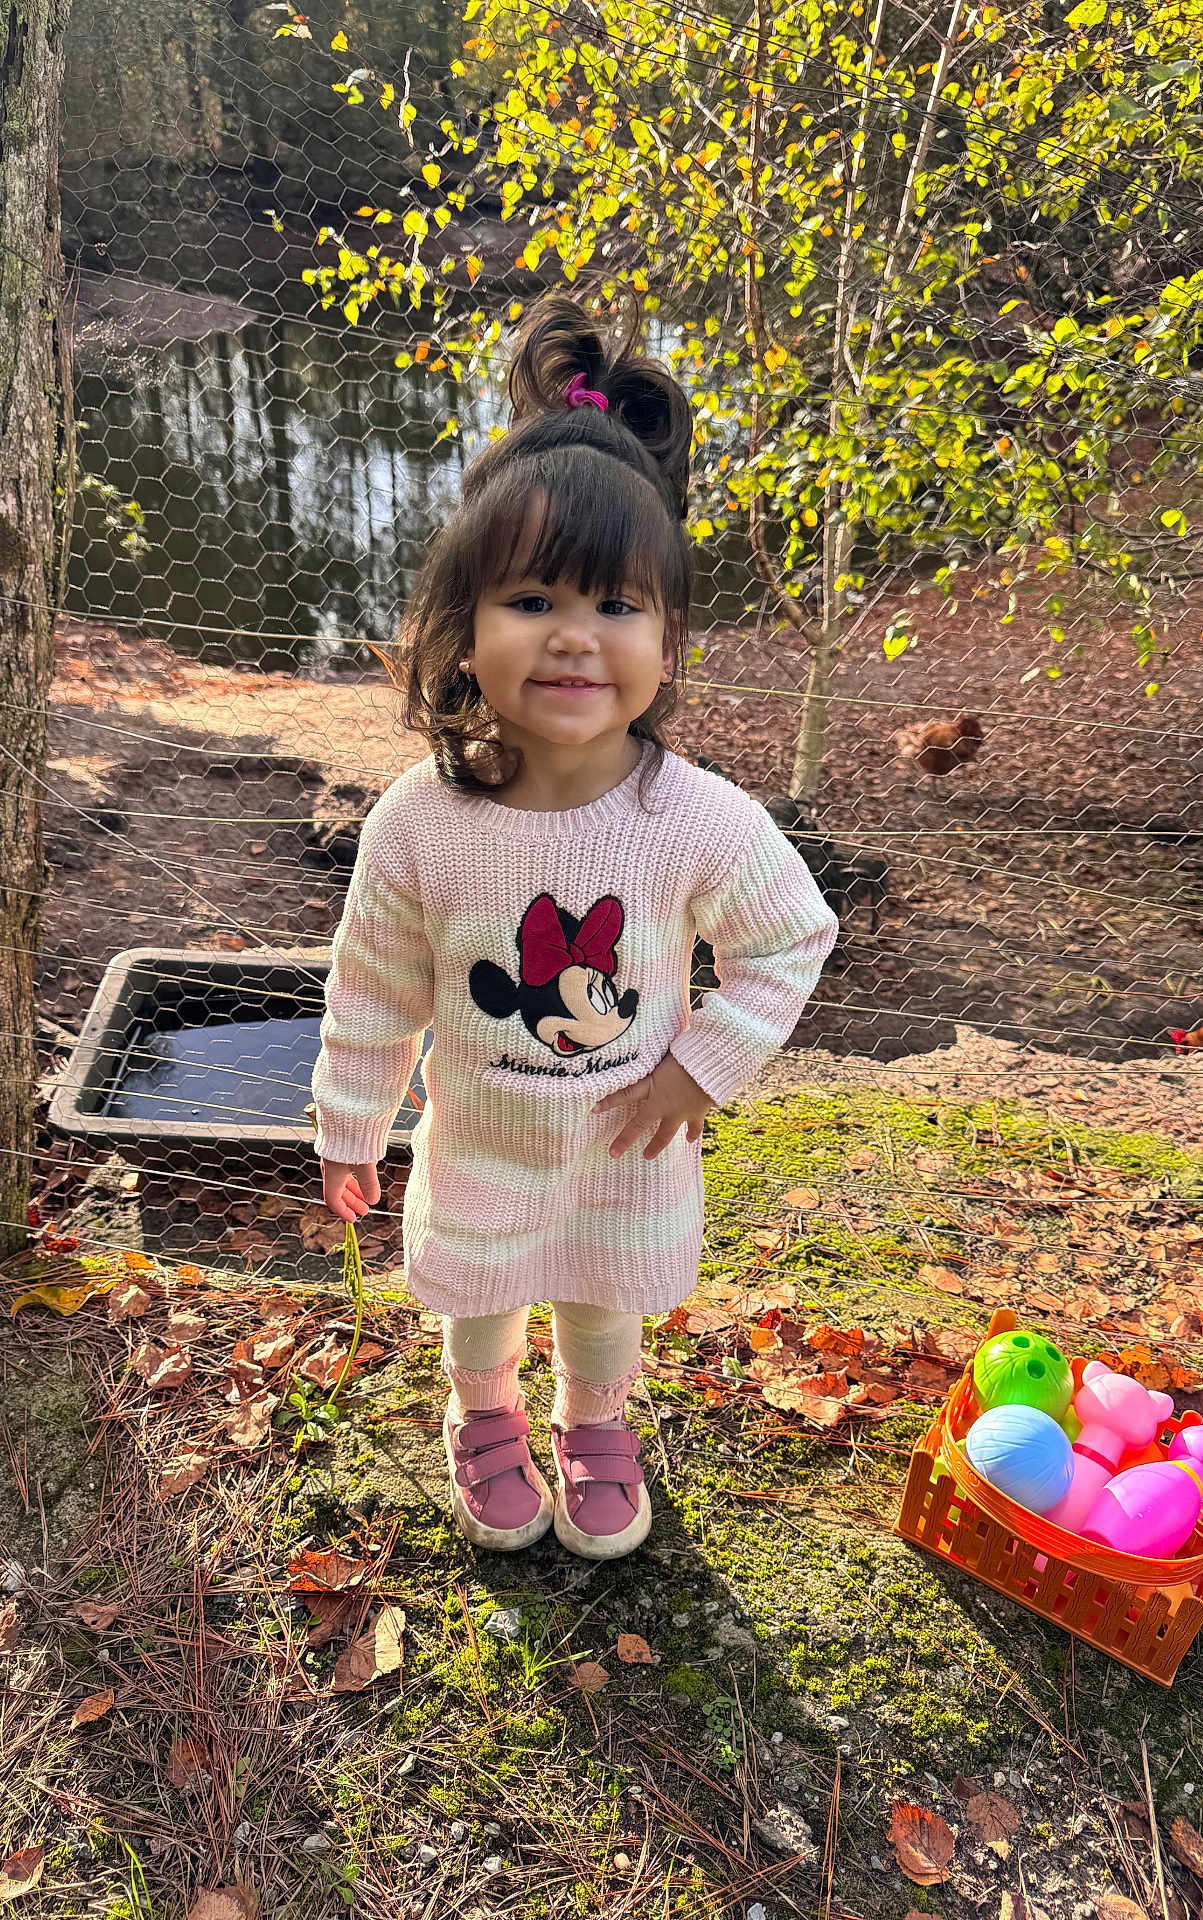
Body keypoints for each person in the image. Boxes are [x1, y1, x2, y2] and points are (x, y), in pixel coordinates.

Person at [311, 294, 838, 1561]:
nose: (573, 638)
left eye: (617, 605)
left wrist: (702, 1067)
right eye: (532, 597)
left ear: (669, 637)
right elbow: (373, 990)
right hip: (483, 1139)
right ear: (464, 627)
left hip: (627, 1147)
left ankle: (596, 1424)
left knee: (606, 1296)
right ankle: (484, 1414)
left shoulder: (694, 816)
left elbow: (788, 939)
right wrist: (351, 1123)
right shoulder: (421, 821)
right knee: (480, 1291)